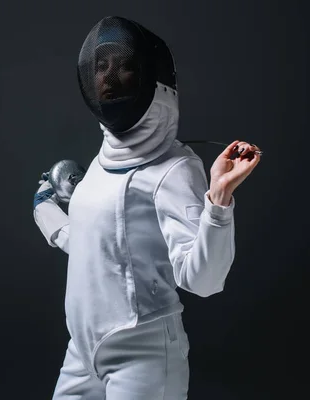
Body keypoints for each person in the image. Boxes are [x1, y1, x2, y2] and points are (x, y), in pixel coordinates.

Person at [33, 16, 261, 400]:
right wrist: (44, 205)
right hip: (82, 351)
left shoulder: (174, 169)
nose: (108, 75)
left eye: (124, 65)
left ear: (153, 81)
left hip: (144, 357)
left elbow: (203, 280)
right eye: (101, 65)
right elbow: (86, 244)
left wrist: (218, 202)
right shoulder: (101, 165)